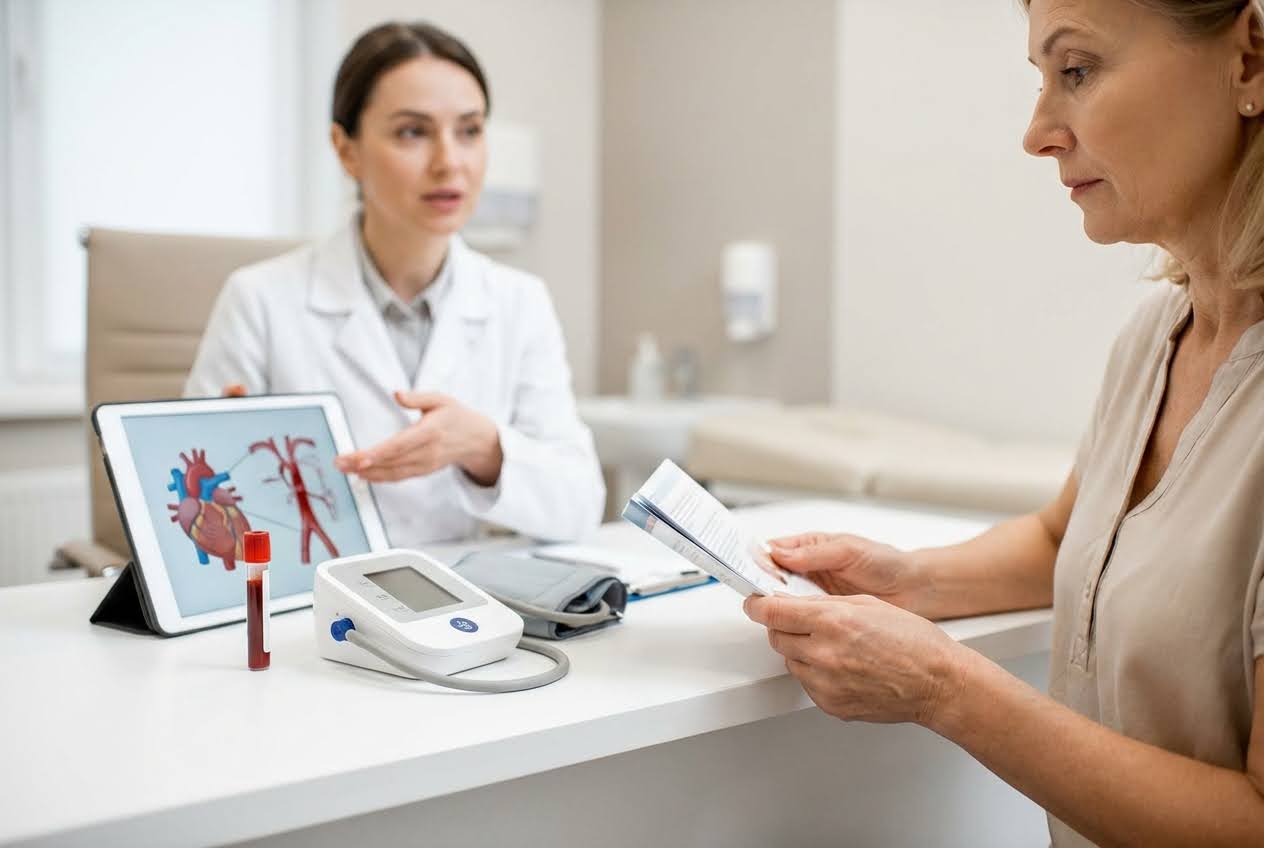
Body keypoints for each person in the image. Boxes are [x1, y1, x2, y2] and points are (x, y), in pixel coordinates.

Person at [744, 1, 1264, 845]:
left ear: (1247, 61)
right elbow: (1068, 540)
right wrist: (907, 579)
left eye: (1078, 72)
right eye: (1041, 81)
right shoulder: (1155, 338)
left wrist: (943, 687)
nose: (1039, 132)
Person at [185, 22, 605, 548]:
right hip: (313, 606)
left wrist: (484, 447)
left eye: (469, 131)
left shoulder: (519, 302)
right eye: (413, 131)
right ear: (346, 150)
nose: (449, 161)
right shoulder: (260, 301)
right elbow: (193, 504)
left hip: (465, 607)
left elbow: (580, 505)